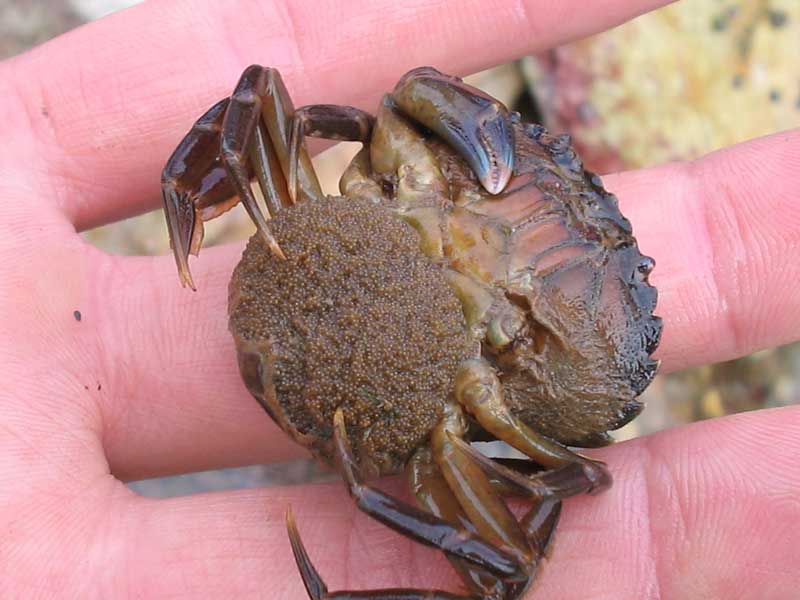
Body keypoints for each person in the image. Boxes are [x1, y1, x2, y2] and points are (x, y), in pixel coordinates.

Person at [0, 0, 797, 597]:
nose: (580, 215)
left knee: (503, 567)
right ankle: (195, 208)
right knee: (265, 98)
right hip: (354, 252)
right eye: (552, 171)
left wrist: (543, 480)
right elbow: (314, 108)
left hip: (453, 385)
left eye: (599, 238)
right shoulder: (452, 171)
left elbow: (556, 489)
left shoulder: (556, 364)